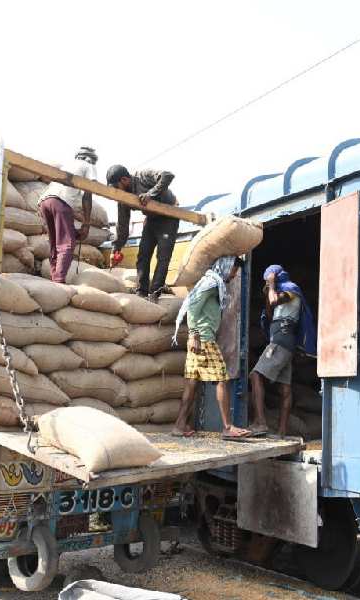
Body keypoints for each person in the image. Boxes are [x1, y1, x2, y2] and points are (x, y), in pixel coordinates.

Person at [172, 256, 252, 439]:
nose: (233, 275)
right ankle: (228, 427)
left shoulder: (212, 283)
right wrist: (194, 334)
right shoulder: (211, 283)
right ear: (226, 267)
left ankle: (179, 425)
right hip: (203, 340)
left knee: (192, 384)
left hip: (199, 340)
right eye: (233, 270)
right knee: (222, 379)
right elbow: (193, 307)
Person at [249, 265, 317, 437]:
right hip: (284, 343)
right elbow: (270, 313)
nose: (268, 284)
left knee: (255, 375)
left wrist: (271, 285)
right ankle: (281, 432)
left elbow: (274, 301)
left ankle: (260, 423)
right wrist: (269, 290)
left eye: (269, 280)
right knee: (284, 388)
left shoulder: (291, 290)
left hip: (281, 342)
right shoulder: (279, 293)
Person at [106, 165, 179, 301]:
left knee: (163, 256)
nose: (115, 191)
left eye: (116, 187)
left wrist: (150, 194)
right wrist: (116, 248)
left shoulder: (143, 176)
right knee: (143, 255)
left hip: (169, 218)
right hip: (151, 219)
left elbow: (167, 175)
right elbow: (122, 225)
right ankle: (141, 291)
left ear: (124, 180)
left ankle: (155, 292)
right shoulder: (123, 198)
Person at [38, 146, 98, 283]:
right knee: (67, 244)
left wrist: (74, 232)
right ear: (90, 159)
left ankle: (55, 277)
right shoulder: (88, 165)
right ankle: (59, 280)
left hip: (44, 202)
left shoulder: (68, 165)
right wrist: (86, 224)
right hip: (60, 202)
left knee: (55, 243)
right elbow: (88, 194)